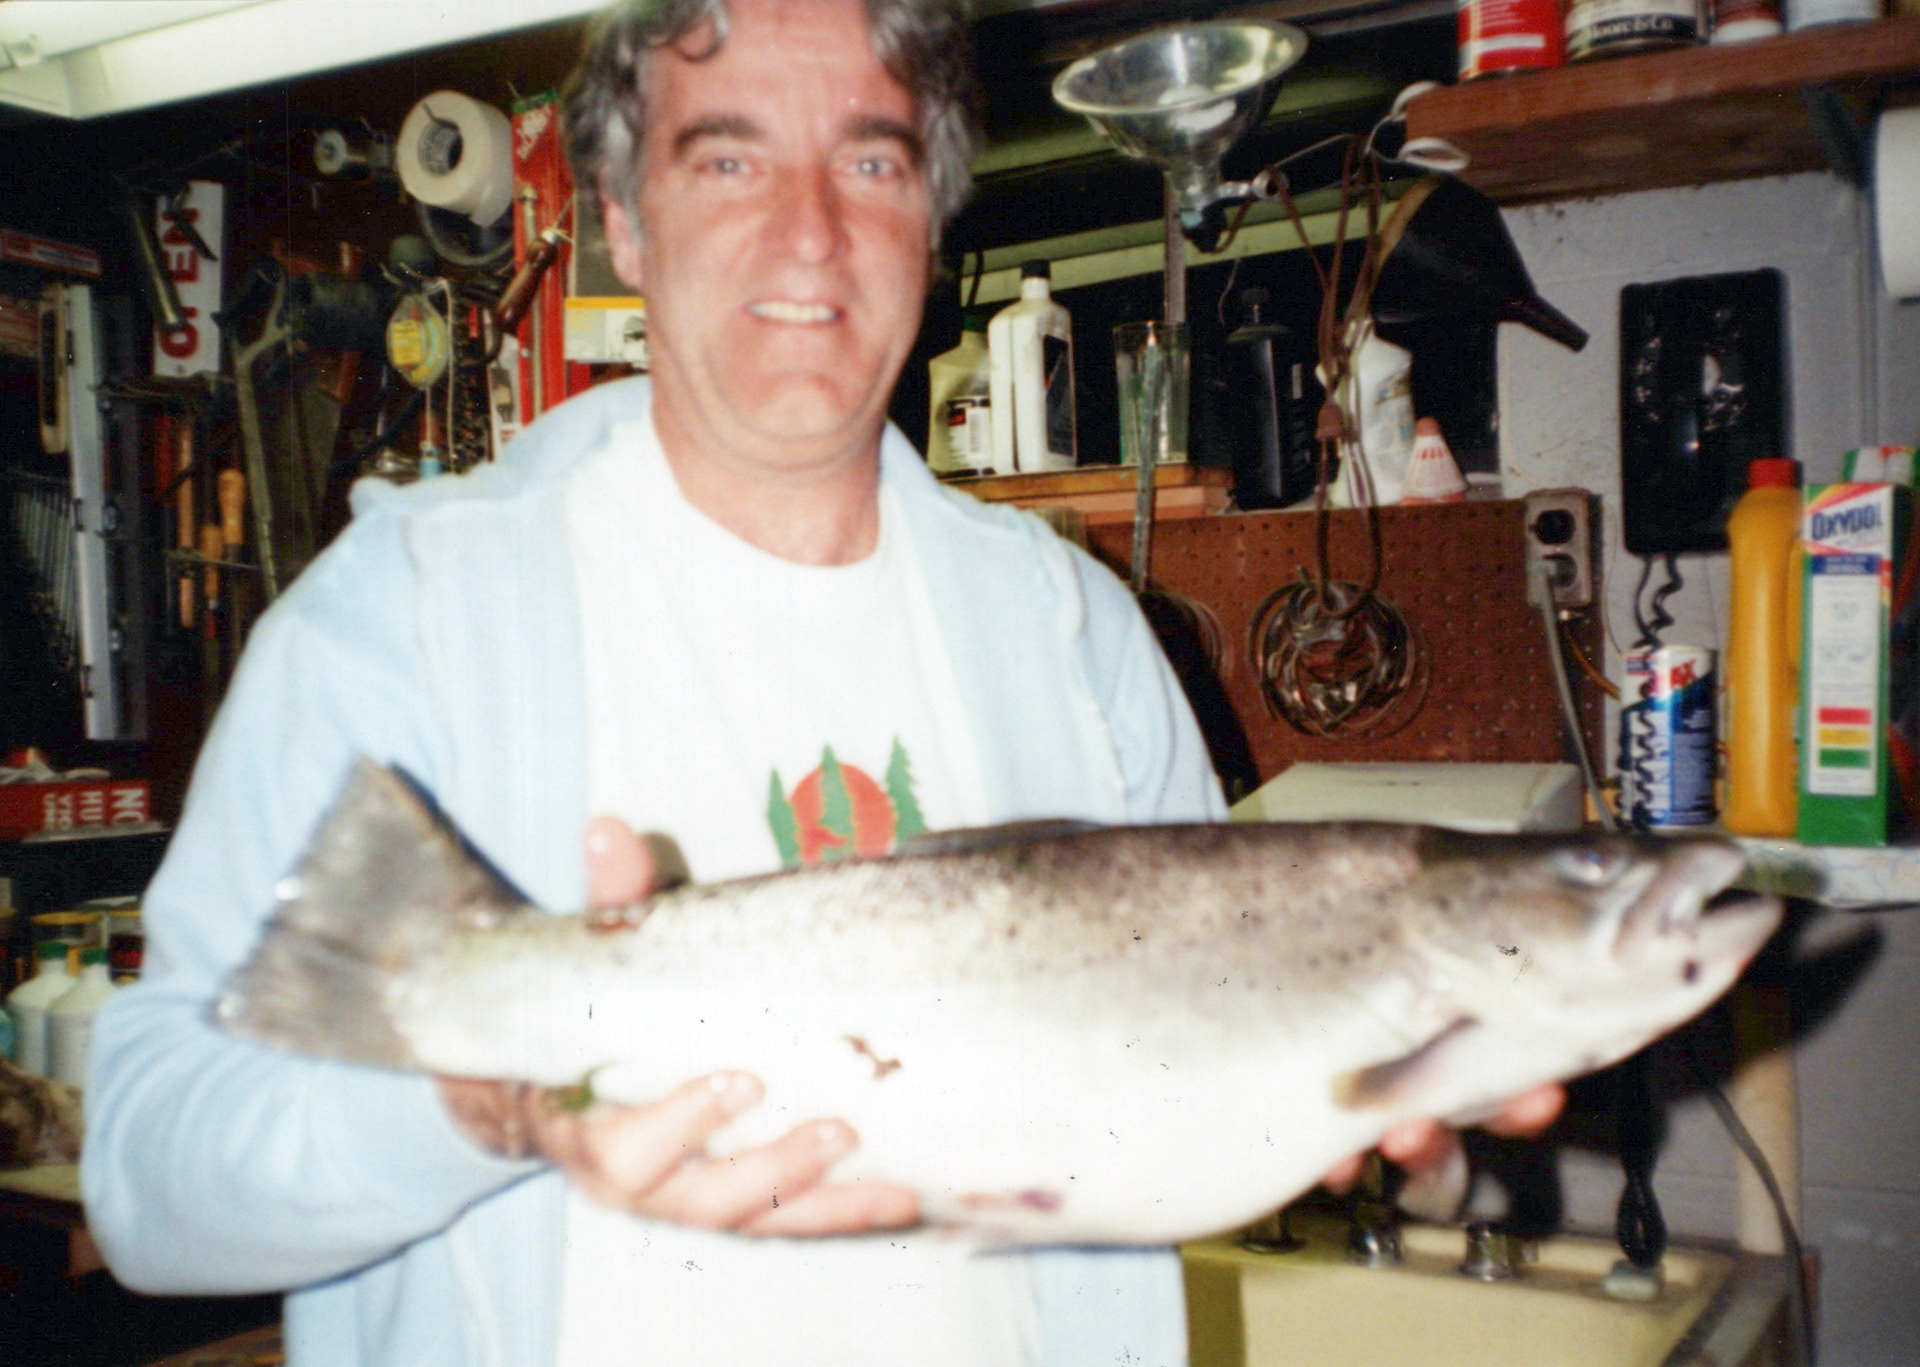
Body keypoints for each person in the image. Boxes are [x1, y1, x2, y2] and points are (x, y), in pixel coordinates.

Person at [82, 1, 1560, 1363]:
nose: (809, 235)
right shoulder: (403, 618)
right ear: (622, 218)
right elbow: (150, 1178)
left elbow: (1141, 1125)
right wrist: (491, 1104)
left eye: (869, 161)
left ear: (933, 214)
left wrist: (1346, 1074)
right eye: (729, 161)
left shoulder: (1074, 635)